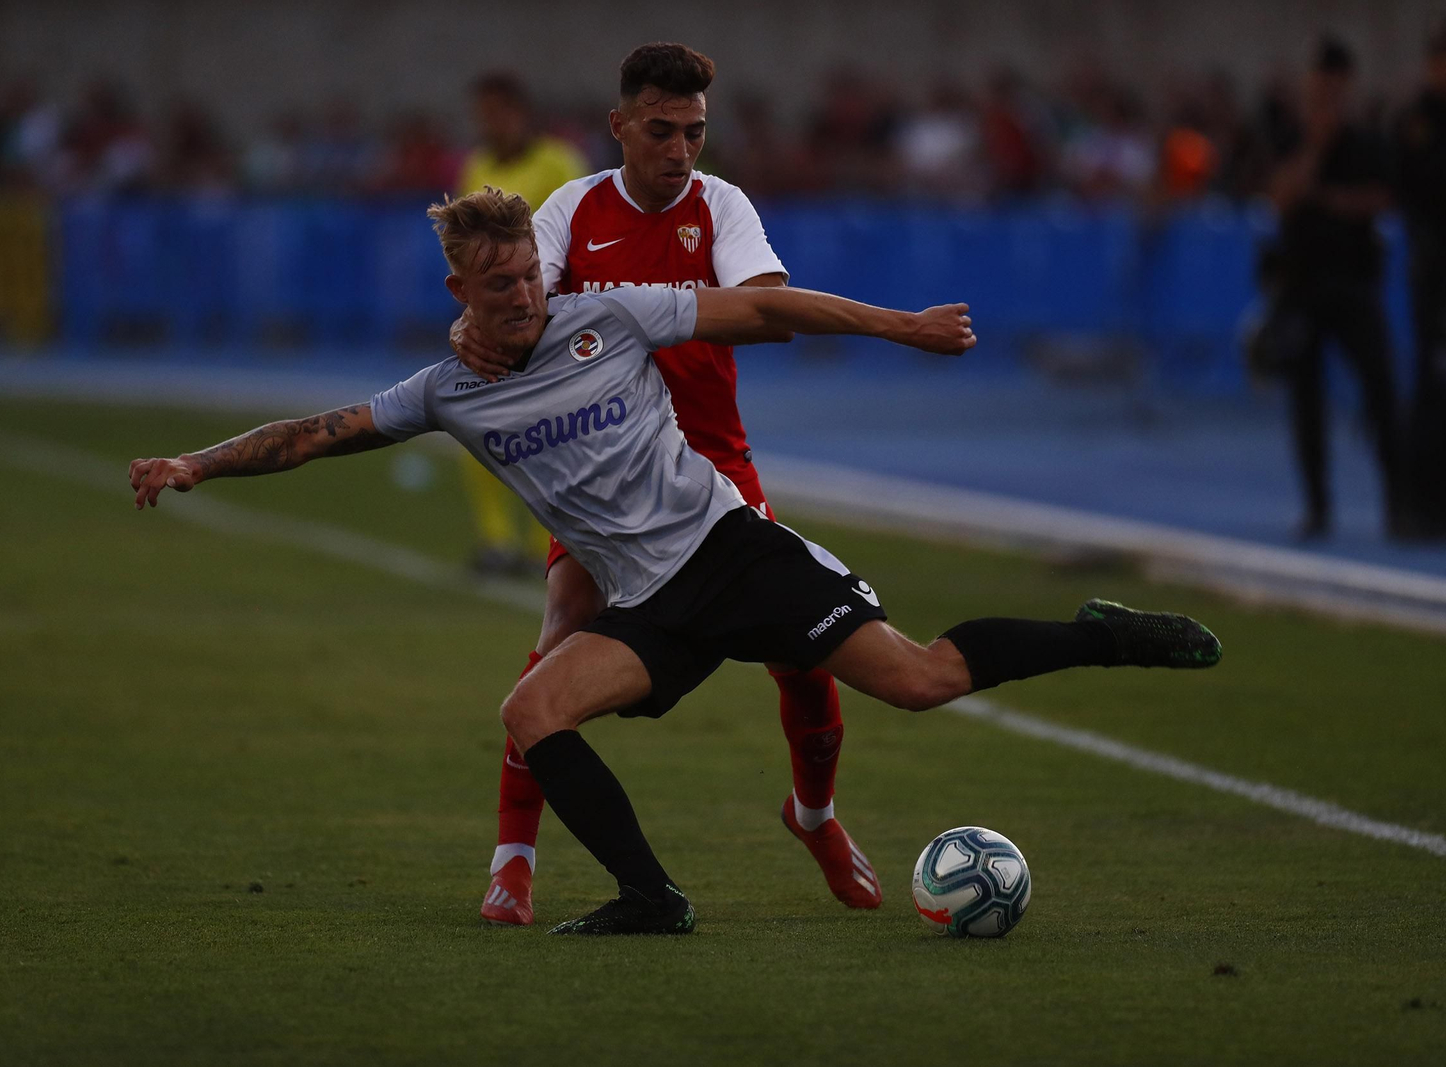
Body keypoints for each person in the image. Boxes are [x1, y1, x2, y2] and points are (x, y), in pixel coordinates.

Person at [129, 187, 1223, 936]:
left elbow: (756, 306)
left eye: (527, 276)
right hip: (647, 601)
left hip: (730, 550)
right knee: (531, 708)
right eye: (497, 283)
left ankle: (1103, 632)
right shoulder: (445, 389)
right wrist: (193, 462)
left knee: (922, 679)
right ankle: (651, 897)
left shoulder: (606, 315)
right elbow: (316, 432)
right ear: (459, 289)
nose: (521, 296)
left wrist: (898, 326)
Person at [448, 42, 881, 927]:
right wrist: (471, 327)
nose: (681, 149)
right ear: (621, 127)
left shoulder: (722, 205)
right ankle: (513, 861)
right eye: (662, 129)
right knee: (560, 631)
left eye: (695, 132)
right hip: (606, 474)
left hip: (716, 465)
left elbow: (763, 304)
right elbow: (517, 300)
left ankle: (815, 817)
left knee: (805, 655)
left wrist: (662, 308)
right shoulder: (571, 208)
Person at [1261, 37, 1403, 541]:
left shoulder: (1367, 141)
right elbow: (1280, 197)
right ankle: (1318, 506)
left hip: (1355, 283)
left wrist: (1327, 198)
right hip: (1303, 285)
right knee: (1306, 402)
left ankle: (1398, 502)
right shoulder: (1292, 137)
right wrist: (1316, 151)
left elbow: (1378, 200)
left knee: (1382, 392)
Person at [453, 73, 588, 576]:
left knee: (554, 432)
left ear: (521, 112)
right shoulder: (476, 165)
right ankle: (496, 541)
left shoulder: (559, 162)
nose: (490, 122)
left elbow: (580, 231)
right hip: (493, 318)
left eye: (499, 111)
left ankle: (541, 547)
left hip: (551, 317)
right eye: (483, 112)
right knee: (476, 422)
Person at [1393, 20, 1446, 540]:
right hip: (1436, 268)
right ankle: (1416, 505)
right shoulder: (1422, 119)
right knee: (1434, 387)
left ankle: (1440, 503)